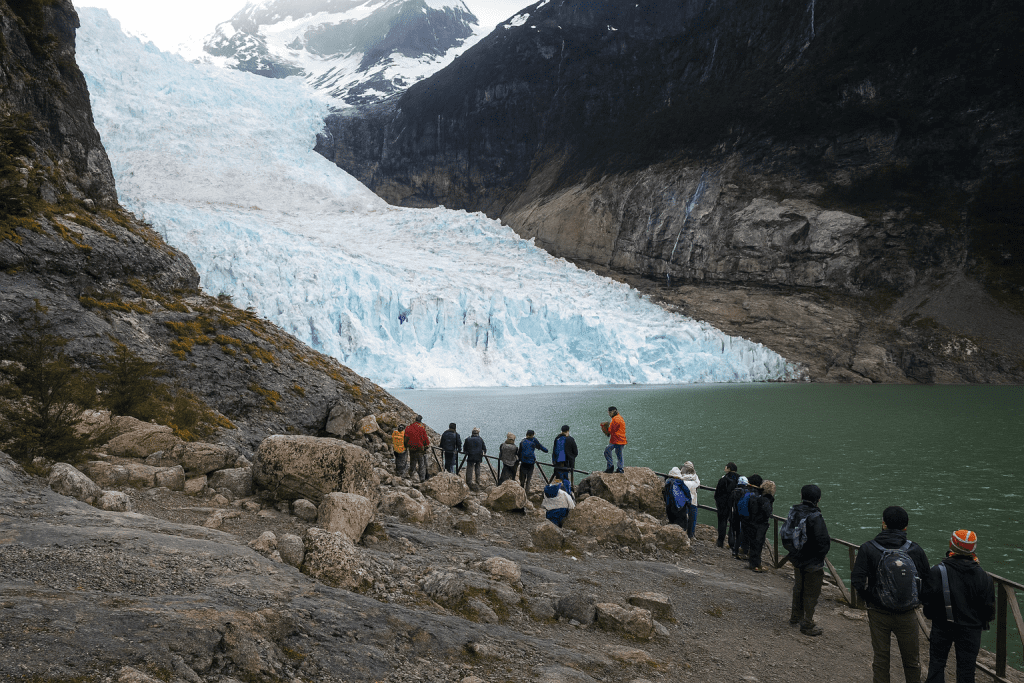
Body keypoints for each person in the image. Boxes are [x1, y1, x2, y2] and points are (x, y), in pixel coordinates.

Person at [852, 505, 930, 682]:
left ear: (883, 524)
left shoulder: (868, 548)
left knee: (881, 659)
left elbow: (858, 581)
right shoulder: (915, 550)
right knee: (911, 661)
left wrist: (872, 598)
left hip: (878, 613)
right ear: (905, 527)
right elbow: (928, 581)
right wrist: (915, 600)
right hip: (908, 614)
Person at [921, 530, 995, 683]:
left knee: (937, 664)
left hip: (942, 625)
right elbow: (989, 610)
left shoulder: (937, 571)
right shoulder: (985, 577)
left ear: (951, 545)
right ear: (973, 549)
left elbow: (927, 602)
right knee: (967, 671)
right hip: (971, 629)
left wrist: (932, 616)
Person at [786, 484, 831, 636]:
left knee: (798, 588)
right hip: (812, 562)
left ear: (801, 496)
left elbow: (785, 534)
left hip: (797, 559)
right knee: (811, 593)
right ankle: (807, 624)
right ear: (818, 499)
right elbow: (823, 542)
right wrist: (819, 556)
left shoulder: (794, 511)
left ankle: (795, 617)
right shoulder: (816, 517)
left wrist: (793, 553)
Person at [732, 474, 763, 560]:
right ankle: (752, 558)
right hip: (751, 519)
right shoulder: (755, 494)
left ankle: (740, 551)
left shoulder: (743, 492)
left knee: (741, 534)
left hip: (741, 516)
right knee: (752, 537)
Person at [747, 480, 775, 572]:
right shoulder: (766, 500)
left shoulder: (755, 496)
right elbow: (767, 512)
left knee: (753, 543)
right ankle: (757, 565)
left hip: (751, 522)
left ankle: (752, 563)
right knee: (758, 544)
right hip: (760, 524)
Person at [714, 462, 740, 548]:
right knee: (734, 523)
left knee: (722, 522)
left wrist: (719, 503)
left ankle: (720, 541)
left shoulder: (723, 479)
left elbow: (717, 494)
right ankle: (732, 543)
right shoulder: (739, 479)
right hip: (735, 505)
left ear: (728, 468)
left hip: (724, 504)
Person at [727, 475, 750, 558]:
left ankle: (734, 548)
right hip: (743, 515)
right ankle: (741, 550)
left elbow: (729, 504)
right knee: (741, 533)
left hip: (734, 514)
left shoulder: (734, 492)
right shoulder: (747, 493)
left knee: (733, 531)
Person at [404, 415, 431, 483]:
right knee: (421, 464)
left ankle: (410, 476)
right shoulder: (421, 428)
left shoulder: (409, 427)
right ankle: (422, 479)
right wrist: (426, 445)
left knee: (412, 463)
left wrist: (406, 445)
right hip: (420, 448)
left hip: (411, 448)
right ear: (421, 420)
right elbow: (425, 438)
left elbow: (406, 437)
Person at [602, 406, 626, 473]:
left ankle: (610, 467)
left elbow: (611, 431)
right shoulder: (619, 417)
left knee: (607, 450)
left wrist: (606, 427)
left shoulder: (615, 419)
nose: (609, 414)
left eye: (609, 412)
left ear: (612, 412)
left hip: (617, 440)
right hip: (621, 439)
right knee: (619, 454)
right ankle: (620, 468)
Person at [680, 461, 700, 539]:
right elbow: (698, 483)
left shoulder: (680, 478)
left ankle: (683, 533)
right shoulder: (695, 478)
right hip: (693, 501)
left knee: (683, 517)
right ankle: (690, 534)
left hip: (683, 500)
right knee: (692, 518)